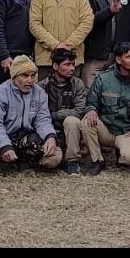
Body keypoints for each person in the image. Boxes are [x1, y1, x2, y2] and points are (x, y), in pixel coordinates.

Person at [80, 41, 130, 175]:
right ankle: (97, 160)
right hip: (106, 130)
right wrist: (91, 110)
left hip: (127, 133)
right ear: (118, 60)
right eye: (129, 57)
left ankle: (122, 156)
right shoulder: (103, 79)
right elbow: (91, 102)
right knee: (87, 121)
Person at [0, 55, 61, 173]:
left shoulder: (39, 93)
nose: (30, 80)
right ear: (14, 76)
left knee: (46, 145)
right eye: (25, 75)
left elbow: (43, 119)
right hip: (4, 135)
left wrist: (50, 136)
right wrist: (4, 146)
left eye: (32, 75)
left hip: (24, 137)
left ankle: (24, 161)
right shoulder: (0, 93)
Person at [29, 0, 94, 79]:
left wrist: (68, 45)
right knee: (45, 90)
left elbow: (87, 22)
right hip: (46, 60)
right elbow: (34, 24)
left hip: (72, 59)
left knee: (72, 90)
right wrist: (55, 45)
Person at [35, 48, 88, 176]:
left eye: (73, 64)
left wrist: (55, 115)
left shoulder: (78, 84)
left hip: (71, 130)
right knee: (51, 162)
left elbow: (79, 111)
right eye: (67, 64)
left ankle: (72, 161)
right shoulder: (41, 86)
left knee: (72, 120)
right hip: (49, 130)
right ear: (55, 66)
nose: (72, 68)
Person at [82, 0, 130, 86]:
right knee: (92, 92)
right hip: (95, 56)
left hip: (119, 58)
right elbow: (88, 21)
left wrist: (128, 48)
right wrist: (109, 11)